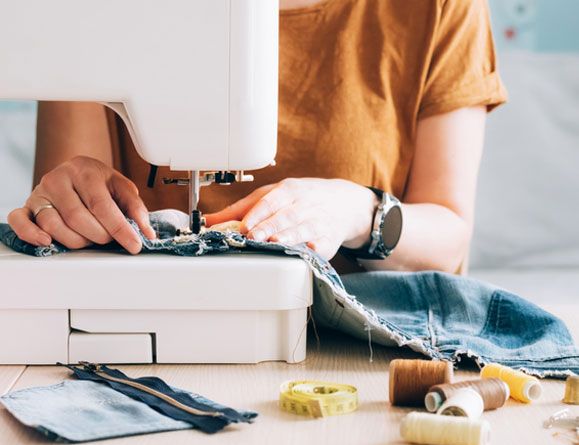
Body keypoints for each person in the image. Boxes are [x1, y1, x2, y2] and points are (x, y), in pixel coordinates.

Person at [7, 0, 507, 274]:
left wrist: (359, 212)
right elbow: (73, 236)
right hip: (153, 333)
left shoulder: (440, 7)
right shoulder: (95, 9)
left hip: (363, 346)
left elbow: (449, 234)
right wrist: (69, 195)